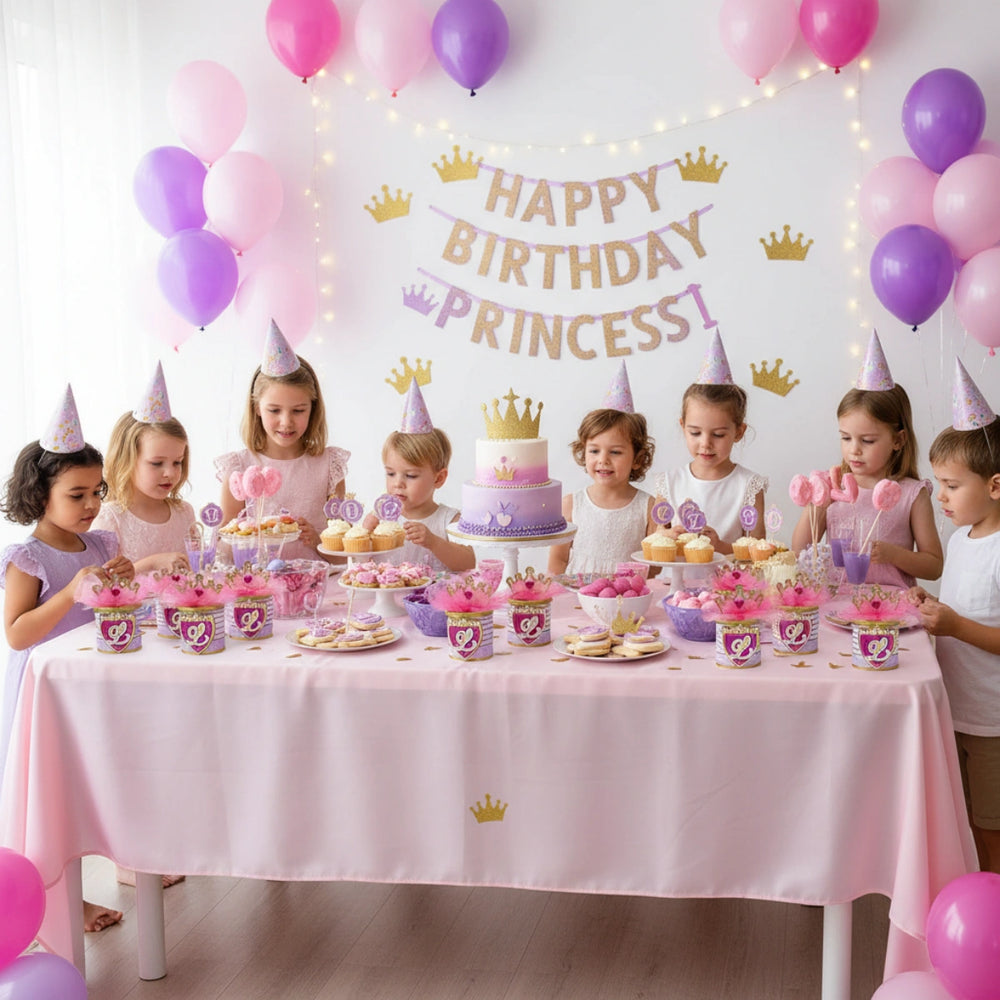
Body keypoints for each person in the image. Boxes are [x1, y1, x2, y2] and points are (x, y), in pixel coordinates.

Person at [0, 386, 130, 932]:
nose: (92, 504)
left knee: (101, 779)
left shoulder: (101, 545)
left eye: (96, 491)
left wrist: (127, 584)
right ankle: (61, 903)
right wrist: (70, 590)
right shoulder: (28, 557)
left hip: (95, 686)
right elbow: (16, 633)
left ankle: (130, 858)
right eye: (77, 495)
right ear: (41, 495)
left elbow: (114, 609)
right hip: (45, 694)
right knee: (53, 797)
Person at [910, 359, 1000, 874]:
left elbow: (973, 626)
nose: (939, 496)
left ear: (993, 486)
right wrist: (933, 609)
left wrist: (955, 625)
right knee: (966, 821)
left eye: (950, 486)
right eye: (937, 484)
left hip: (991, 722)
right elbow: (962, 609)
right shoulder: (961, 538)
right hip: (956, 709)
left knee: (991, 829)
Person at [791, 331, 942, 587]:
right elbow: (799, 549)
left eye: (868, 440)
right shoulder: (834, 488)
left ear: (898, 440)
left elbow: (934, 566)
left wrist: (894, 554)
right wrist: (817, 504)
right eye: (846, 438)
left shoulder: (911, 494)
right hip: (838, 607)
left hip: (892, 610)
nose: (854, 450)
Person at [216, 321, 349, 560]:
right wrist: (248, 536)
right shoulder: (239, 468)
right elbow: (223, 550)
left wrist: (319, 540)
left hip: (318, 589)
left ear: (312, 408)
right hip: (258, 589)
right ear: (256, 408)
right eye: (274, 410)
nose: (286, 422)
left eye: (298, 411)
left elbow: (343, 554)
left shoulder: (329, 466)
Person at [654, 331, 767, 555]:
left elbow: (757, 550)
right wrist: (668, 537)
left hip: (727, 586)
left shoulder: (748, 486)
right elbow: (656, 537)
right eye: (695, 433)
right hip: (676, 583)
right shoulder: (670, 483)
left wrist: (721, 547)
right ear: (683, 426)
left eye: (718, 435)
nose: (705, 444)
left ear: (739, 432)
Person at [549, 362, 655, 575]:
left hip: (627, 599)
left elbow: (653, 568)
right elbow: (558, 561)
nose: (603, 460)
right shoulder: (571, 505)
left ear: (638, 458)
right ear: (583, 451)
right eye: (594, 451)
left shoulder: (649, 507)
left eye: (615, 452)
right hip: (577, 597)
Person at [93, 362, 195, 573]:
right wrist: (151, 564)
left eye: (177, 462)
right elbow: (99, 588)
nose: (170, 472)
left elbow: (196, 571)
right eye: (157, 463)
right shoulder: (110, 519)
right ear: (126, 460)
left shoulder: (184, 513)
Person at [363, 379, 474, 573]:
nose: (397, 483)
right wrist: (364, 534)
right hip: (386, 601)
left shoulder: (449, 520)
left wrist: (434, 542)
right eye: (390, 473)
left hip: (433, 601)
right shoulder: (380, 519)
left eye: (411, 476)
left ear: (438, 479)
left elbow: (468, 562)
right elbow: (361, 566)